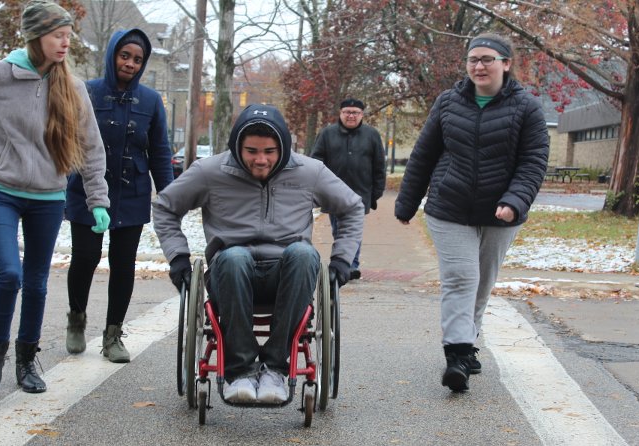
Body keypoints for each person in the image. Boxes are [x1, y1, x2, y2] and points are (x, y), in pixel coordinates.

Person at [0, 0, 110, 395]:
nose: (65, 43)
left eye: (68, 36)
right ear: (35, 37)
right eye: (57, 36)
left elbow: (92, 148)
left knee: (37, 282)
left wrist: (98, 200)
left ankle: (26, 363)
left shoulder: (73, 87)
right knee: (10, 273)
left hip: (48, 197)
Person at [153, 104, 364, 404]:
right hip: (231, 273)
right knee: (234, 256)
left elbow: (352, 207)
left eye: (269, 151)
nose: (260, 160)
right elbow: (164, 207)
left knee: (305, 254)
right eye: (251, 151)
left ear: (284, 148)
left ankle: (276, 368)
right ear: (237, 145)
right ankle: (239, 369)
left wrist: (342, 259)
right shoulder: (210, 172)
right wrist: (177, 258)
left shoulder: (310, 172)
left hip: (288, 274)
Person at [394, 33, 548, 392]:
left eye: (487, 59)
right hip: (449, 207)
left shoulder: (527, 107)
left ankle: (468, 341)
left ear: (506, 64)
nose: (479, 66)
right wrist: (407, 203)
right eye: (473, 59)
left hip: (501, 212)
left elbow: (533, 161)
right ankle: (458, 355)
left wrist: (515, 201)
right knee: (461, 278)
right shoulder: (448, 102)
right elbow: (424, 154)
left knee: (481, 283)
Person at [64, 29, 173, 363]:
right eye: (125, 56)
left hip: (133, 193)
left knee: (123, 264)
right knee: (85, 257)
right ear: (113, 56)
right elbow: (68, 139)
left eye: (138, 59)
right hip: (87, 188)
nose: (130, 63)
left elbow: (160, 151)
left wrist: (169, 196)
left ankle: (113, 335)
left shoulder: (152, 101)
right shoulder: (86, 91)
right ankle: (77, 320)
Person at [311, 98, 386, 280]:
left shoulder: (372, 135)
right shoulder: (327, 134)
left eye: (355, 113)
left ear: (361, 115)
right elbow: (316, 162)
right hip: (333, 193)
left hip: (360, 193)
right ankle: (343, 262)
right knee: (338, 230)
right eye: (347, 112)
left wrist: (375, 193)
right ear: (341, 113)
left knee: (353, 229)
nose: (351, 116)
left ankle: (351, 265)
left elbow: (379, 166)